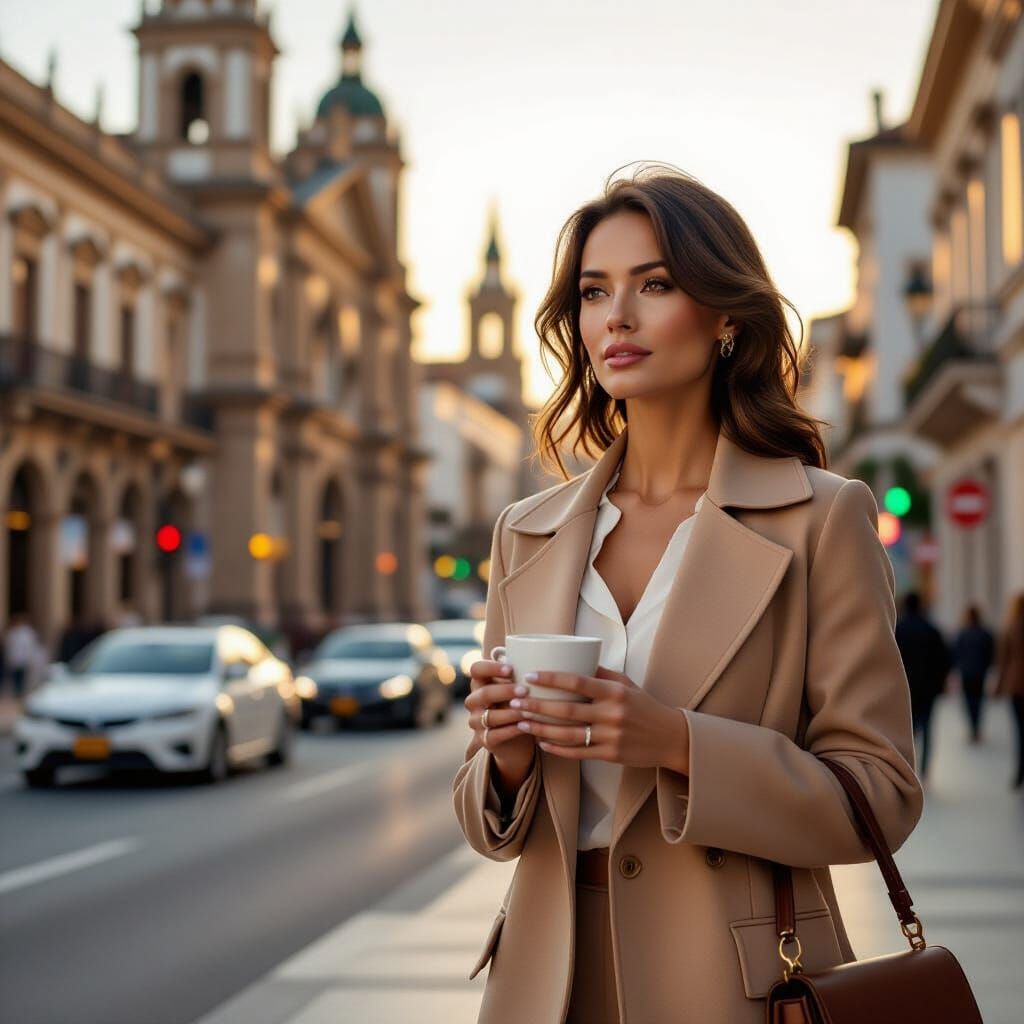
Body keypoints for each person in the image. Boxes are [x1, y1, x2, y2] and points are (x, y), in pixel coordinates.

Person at [452, 164, 924, 1024]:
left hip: (735, 985)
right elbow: (491, 825)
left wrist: (676, 741)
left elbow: (880, 796)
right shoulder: (527, 531)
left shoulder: (820, 519)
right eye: (594, 293)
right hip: (543, 983)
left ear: (726, 320)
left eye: (655, 284)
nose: (616, 317)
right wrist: (507, 758)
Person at [895, 591, 951, 780]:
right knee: (927, 728)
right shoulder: (932, 630)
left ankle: (908, 767)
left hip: (905, 688)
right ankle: (925, 770)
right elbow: (944, 659)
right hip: (929, 688)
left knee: (908, 729)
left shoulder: (897, 629)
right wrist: (941, 682)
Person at [951, 603, 996, 743]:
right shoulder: (985, 633)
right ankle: (976, 729)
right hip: (980, 672)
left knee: (969, 702)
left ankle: (973, 729)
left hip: (966, 673)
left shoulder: (962, 634)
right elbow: (991, 653)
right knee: (978, 701)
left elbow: (955, 654)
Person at [994, 592, 1024, 790]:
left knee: (1020, 732)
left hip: (1016, 686)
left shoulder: (1011, 628)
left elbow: (1002, 661)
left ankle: (1019, 773)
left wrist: (998, 687)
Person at [3, 613, 39, 701]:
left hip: (23, 659)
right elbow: (9, 646)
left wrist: (30, 658)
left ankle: (20, 693)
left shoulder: (27, 633)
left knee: (21, 678)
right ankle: (17, 693)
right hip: (16, 659)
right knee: (16, 678)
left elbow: (30, 647)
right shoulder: (13, 633)